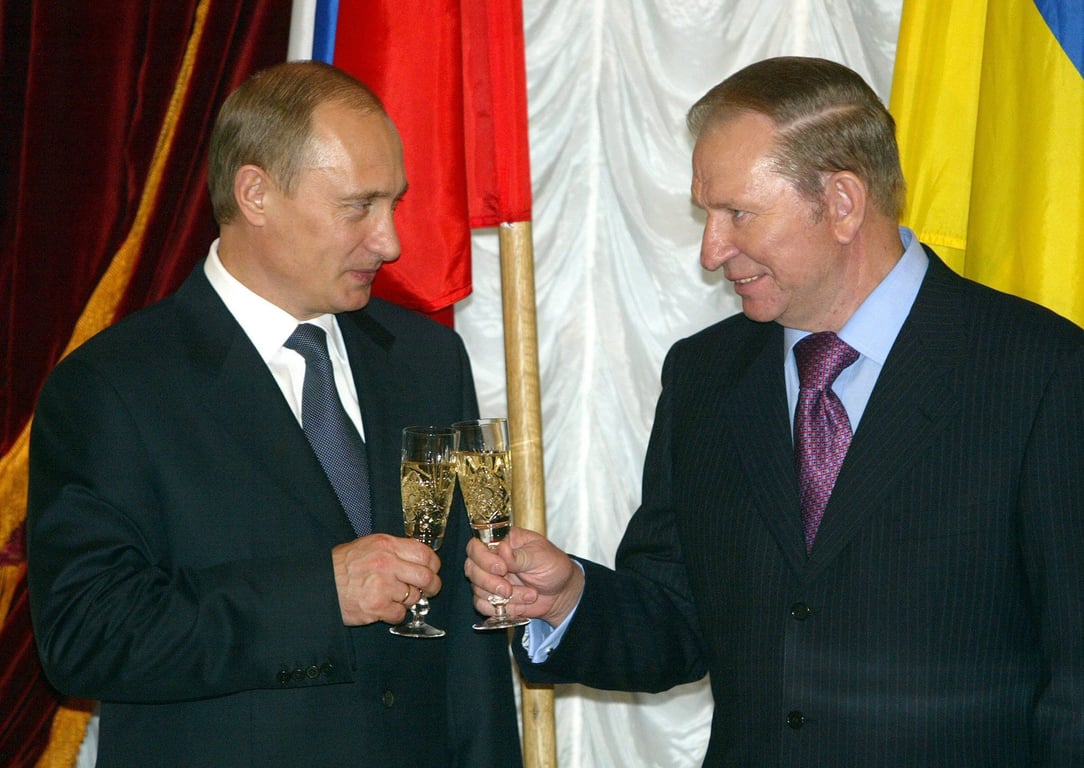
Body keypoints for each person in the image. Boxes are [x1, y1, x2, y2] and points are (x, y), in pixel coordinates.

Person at [465, 56, 1084, 766]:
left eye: (738, 213)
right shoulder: (706, 376)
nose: (710, 251)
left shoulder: (1039, 374)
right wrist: (569, 599)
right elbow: (677, 619)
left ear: (844, 203)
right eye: (706, 214)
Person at [27, 61, 521, 768]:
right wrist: (323, 596)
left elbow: (465, 650)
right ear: (255, 193)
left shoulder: (427, 360)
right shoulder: (113, 387)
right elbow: (88, 638)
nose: (390, 242)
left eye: (395, 203)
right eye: (358, 206)